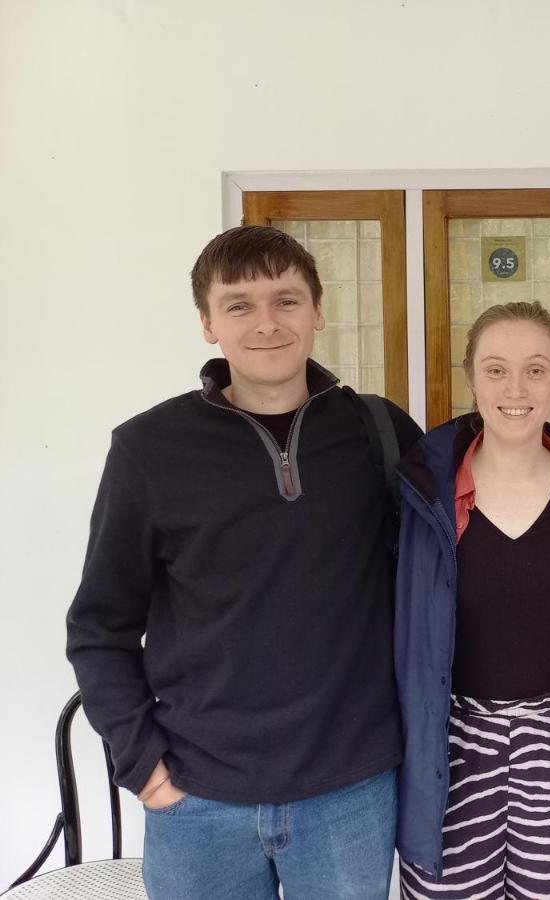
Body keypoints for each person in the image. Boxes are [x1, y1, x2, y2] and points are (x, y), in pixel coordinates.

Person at [65, 225, 422, 899]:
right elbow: (99, 627)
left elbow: (457, 560)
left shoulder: (378, 433)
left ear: (318, 311)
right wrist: (142, 764)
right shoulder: (149, 450)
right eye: (239, 304)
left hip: (350, 792)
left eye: (287, 300)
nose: (267, 323)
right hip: (199, 798)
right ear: (207, 323)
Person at [392, 301, 550, 900]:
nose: (516, 388)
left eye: (536, 369)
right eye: (496, 369)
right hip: (446, 744)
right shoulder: (421, 493)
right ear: (471, 378)